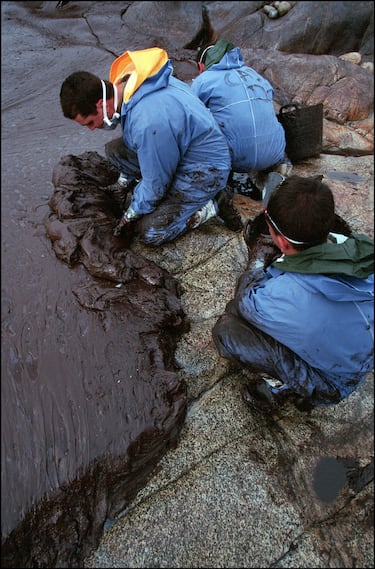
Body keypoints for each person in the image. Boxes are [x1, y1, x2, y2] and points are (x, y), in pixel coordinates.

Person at [212, 175, 374, 413]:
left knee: (228, 329)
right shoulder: (358, 249)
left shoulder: (283, 295)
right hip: (360, 359)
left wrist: (260, 255)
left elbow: (246, 300)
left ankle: (285, 386)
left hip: (332, 382)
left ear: (283, 242)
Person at [59, 47, 244, 247]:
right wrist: (124, 184)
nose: (93, 129)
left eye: (90, 122)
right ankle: (130, 186)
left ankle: (214, 204)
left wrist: (130, 215)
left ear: (101, 103)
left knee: (149, 232)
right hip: (182, 149)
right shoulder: (131, 83)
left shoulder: (148, 121)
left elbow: (156, 186)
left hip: (205, 168)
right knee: (115, 151)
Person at [190, 38, 291, 199]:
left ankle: (222, 190)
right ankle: (279, 170)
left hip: (236, 159)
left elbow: (189, 116)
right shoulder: (254, 74)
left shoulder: (204, 80)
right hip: (273, 152)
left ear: (202, 65)